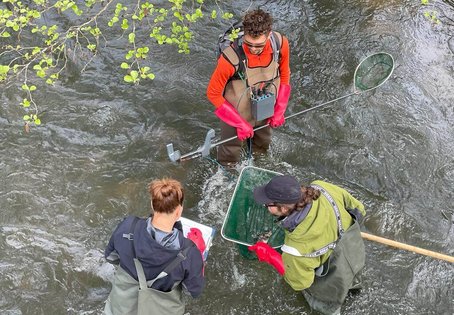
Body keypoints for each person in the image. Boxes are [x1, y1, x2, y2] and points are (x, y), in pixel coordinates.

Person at [249, 175, 366, 315]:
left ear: (284, 209)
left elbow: (300, 283)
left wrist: (271, 256)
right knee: (353, 287)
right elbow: (359, 209)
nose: (265, 206)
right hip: (356, 253)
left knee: (327, 304)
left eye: (268, 204)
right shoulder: (322, 187)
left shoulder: (295, 250)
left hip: (335, 276)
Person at [104, 178, 205, 315]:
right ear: (179, 211)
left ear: (152, 204)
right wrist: (199, 255)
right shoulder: (189, 252)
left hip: (120, 308)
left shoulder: (127, 226)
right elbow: (193, 290)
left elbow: (110, 257)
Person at [207, 9, 291, 165]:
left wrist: (280, 110)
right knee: (229, 152)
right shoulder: (230, 58)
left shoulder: (280, 45)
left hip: (265, 105)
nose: (253, 49)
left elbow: (285, 76)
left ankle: (257, 164)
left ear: (269, 34)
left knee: (262, 144)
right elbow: (213, 94)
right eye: (248, 43)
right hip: (235, 110)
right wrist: (239, 123)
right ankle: (227, 173)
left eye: (258, 45)